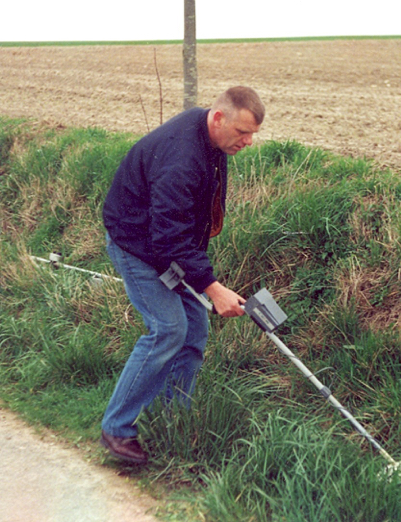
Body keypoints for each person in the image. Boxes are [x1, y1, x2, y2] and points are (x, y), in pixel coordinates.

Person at [99, 86, 265, 464]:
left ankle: (170, 419)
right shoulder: (181, 157)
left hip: (163, 244)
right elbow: (168, 237)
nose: (249, 141)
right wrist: (212, 287)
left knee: (195, 330)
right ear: (219, 117)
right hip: (135, 244)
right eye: (243, 132)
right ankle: (117, 429)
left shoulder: (212, 137)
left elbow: (184, 226)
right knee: (168, 329)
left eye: (253, 133)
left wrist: (203, 277)